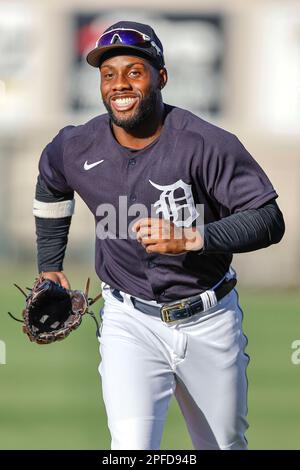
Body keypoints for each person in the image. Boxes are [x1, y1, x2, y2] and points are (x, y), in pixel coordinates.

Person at [33, 20, 285, 450]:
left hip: (208, 318)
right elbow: (51, 183)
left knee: (222, 446)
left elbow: (268, 219)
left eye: (135, 71)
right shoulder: (76, 146)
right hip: (127, 320)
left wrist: (193, 238)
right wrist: (50, 263)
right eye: (108, 74)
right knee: (131, 449)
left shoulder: (207, 144)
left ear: (161, 77)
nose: (119, 84)